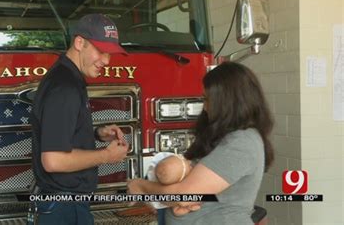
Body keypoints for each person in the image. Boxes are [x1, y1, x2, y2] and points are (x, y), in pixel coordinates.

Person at [128, 62, 274, 225]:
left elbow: (184, 195)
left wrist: (141, 187)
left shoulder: (242, 143)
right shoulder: (223, 137)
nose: (205, 107)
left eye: (207, 99)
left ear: (227, 102)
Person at [30, 13, 129, 225]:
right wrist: (106, 156)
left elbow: (61, 133)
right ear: (79, 42)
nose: (106, 61)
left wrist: (96, 133)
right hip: (64, 208)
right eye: (101, 51)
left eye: (110, 54)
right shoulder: (65, 87)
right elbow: (53, 160)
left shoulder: (67, 78)